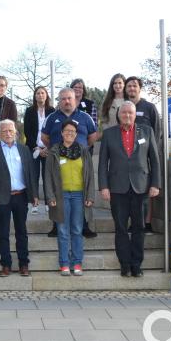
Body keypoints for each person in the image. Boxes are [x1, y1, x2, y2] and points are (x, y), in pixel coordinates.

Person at [98, 101, 160, 278]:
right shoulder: (109, 134)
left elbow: (154, 160)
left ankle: (136, 264)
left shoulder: (147, 131)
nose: (127, 116)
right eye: (124, 113)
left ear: (135, 115)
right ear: (118, 115)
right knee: (121, 228)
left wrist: (156, 184)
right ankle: (124, 264)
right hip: (117, 188)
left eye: (130, 113)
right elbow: (102, 163)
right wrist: (104, 186)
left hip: (141, 187)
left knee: (139, 227)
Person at [0, 119, 39, 277]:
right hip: (2, 198)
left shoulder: (24, 150)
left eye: (10, 131)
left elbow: (31, 174)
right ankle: (6, 264)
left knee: (22, 232)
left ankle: (23, 264)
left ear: (15, 132)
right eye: (4, 131)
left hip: (21, 197)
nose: (8, 134)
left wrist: (34, 194)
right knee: (3, 233)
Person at [41, 87, 98, 238]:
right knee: (57, 191)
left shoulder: (85, 117)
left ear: (76, 100)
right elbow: (44, 137)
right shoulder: (52, 118)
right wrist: (54, 151)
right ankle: (56, 225)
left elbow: (93, 136)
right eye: (63, 99)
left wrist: (83, 149)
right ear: (59, 101)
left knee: (82, 192)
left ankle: (85, 225)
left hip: (80, 162)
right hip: (58, 162)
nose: (66, 101)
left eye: (69, 98)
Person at [44, 119, 95, 276]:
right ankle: (64, 263)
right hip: (61, 196)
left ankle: (77, 263)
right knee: (63, 230)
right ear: (61, 133)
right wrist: (50, 196)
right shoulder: (54, 152)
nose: (69, 134)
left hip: (79, 195)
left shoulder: (83, 151)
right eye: (67, 131)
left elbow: (90, 175)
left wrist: (90, 195)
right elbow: (48, 177)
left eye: (72, 131)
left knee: (77, 229)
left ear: (76, 134)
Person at [124, 76, 162, 233]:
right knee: (131, 191)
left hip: (145, 157)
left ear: (140, 88)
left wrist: (153, 154)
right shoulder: (124, 107)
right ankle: (134, 222)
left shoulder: (149, 107)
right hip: (128, 157)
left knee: (147, 190)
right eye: (129, 86)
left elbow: (157, 131)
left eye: (134, 86)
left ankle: (146, 223)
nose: (131, 88)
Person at [23, 86, 55, 213]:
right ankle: (35, 204)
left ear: (46, 95)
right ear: (35, 96)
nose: (40, 95)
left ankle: (48, 203)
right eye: (38, 93)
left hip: (48, 148)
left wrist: (48, 147)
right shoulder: (30, 111)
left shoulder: (52, 111)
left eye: (43, 93)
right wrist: (36, 147)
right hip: (34, 148)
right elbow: (27, 131)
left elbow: (54, 130)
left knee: (48, 176)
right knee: (33, 176)